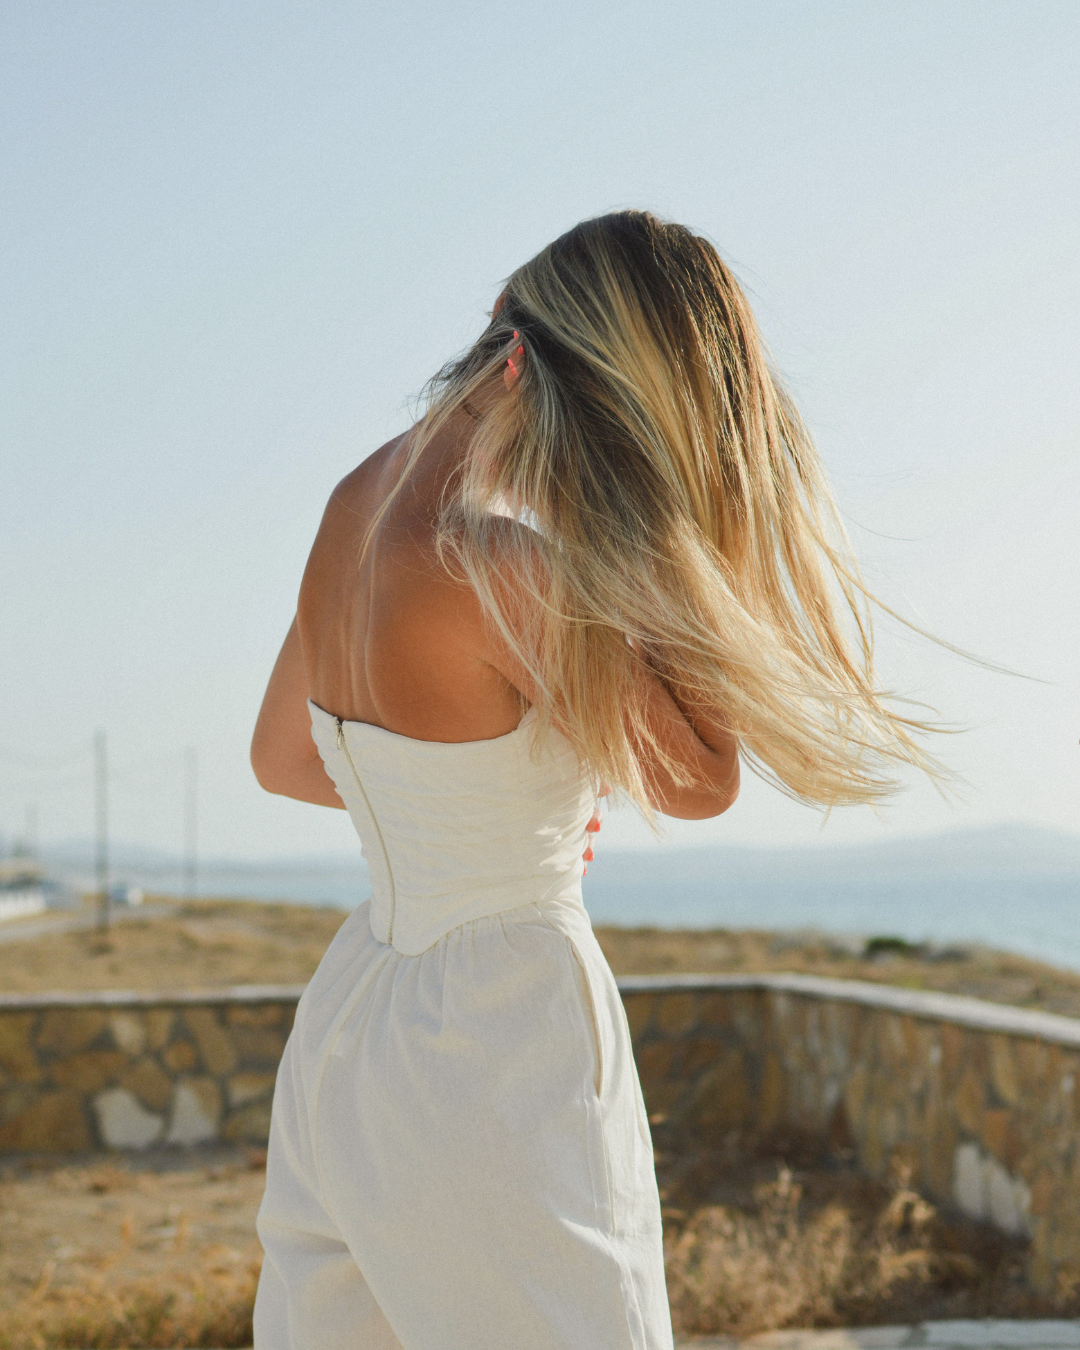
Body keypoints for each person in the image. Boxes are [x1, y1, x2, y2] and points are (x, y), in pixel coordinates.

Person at [249, 210, 943, 1349]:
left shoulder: (356, 508)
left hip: (354, 1020)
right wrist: (670, 534)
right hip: (497, 1033)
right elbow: (698, 780)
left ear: (497, 332)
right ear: (541, 376)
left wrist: (476, 812)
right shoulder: (508, 567)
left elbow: (285, 759)